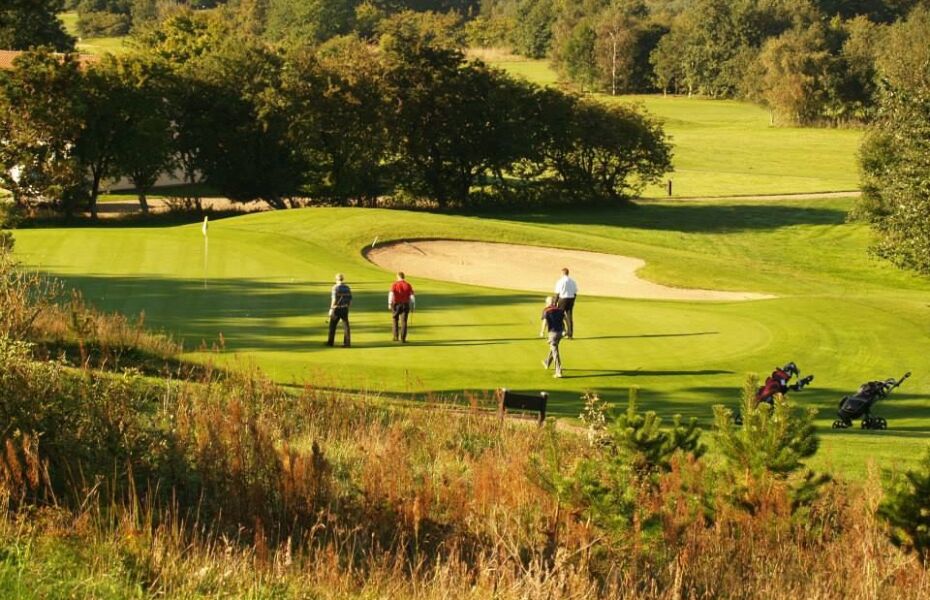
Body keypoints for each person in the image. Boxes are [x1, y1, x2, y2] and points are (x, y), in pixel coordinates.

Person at [540, 296, 566, 378]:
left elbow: (545, 322)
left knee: (555, 352)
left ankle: (558, 372)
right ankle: (547, 362)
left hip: (552, 333)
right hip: (561, 333)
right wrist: (567, 330)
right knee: (553, 347)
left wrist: (542, 331)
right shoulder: (560, 310)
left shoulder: (546, 310)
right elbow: (565, 319)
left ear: (547, 303)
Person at [388, 272, 416, 342]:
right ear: (403, 277)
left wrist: (389, 303)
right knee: (404, 322)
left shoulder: (394, 284)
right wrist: (413, 304)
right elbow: (412, 296)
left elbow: (391, 294)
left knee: (395, 320)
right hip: (405, 305)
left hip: (396, 305)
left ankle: (395, 337)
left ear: (398, 277)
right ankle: (403, 339)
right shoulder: (408, 285)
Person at [327, 273, 352, 347]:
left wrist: (331, 309)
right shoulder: (347, 287)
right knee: (346, 326)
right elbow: (350, 299)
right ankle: (347, 343)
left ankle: (330, 342)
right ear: (342, 279)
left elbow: (334, 299)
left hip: (336, 308)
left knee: (332, 326)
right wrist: (348, 308)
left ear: (336, 279)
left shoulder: (335, 287)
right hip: (345, 308)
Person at [553, 267, 577, 338]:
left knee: (559, 316)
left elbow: (557, 293)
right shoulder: (572, 281)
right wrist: (573, 300)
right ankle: (570, 334)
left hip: (563, 299)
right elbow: (575, 292)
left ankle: (562, 331)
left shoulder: (560, 281)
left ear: (562, 273)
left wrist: (555, 303)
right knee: (569, 317)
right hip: (571, 299)